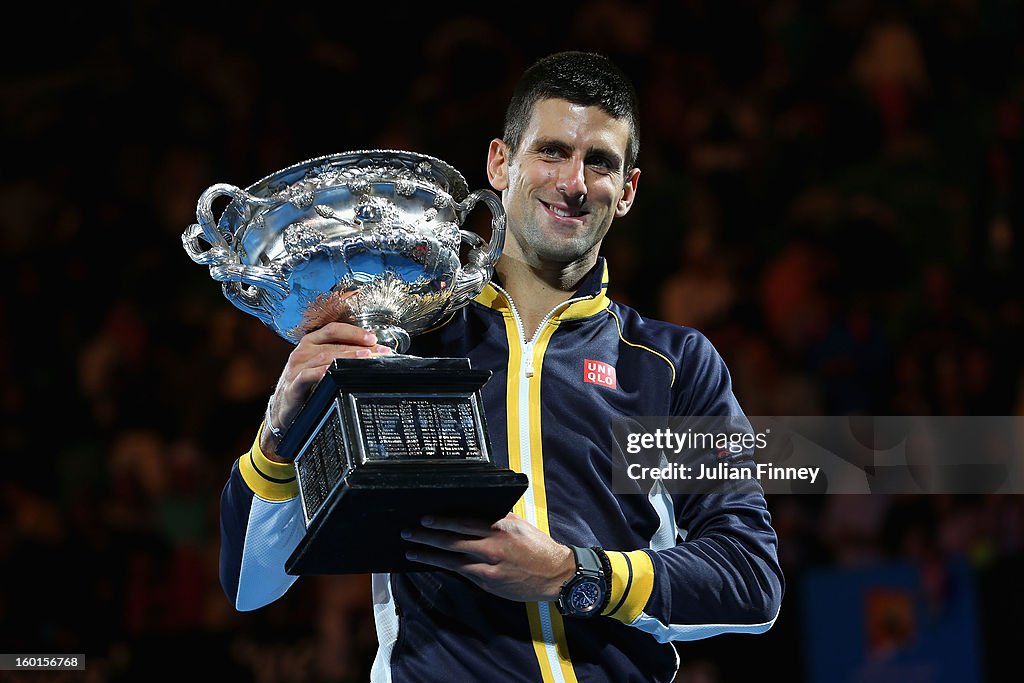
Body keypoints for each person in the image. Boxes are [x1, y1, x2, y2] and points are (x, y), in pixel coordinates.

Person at [219, 51, 783, 682]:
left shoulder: (669, 367)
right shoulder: (404, 347)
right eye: (550, 151)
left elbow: (748, 578)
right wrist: (277, 432)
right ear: (499, 163)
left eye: (599, 162)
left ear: (626, 191)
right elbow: (252, 583)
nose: (573, 182)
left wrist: (574, 574)